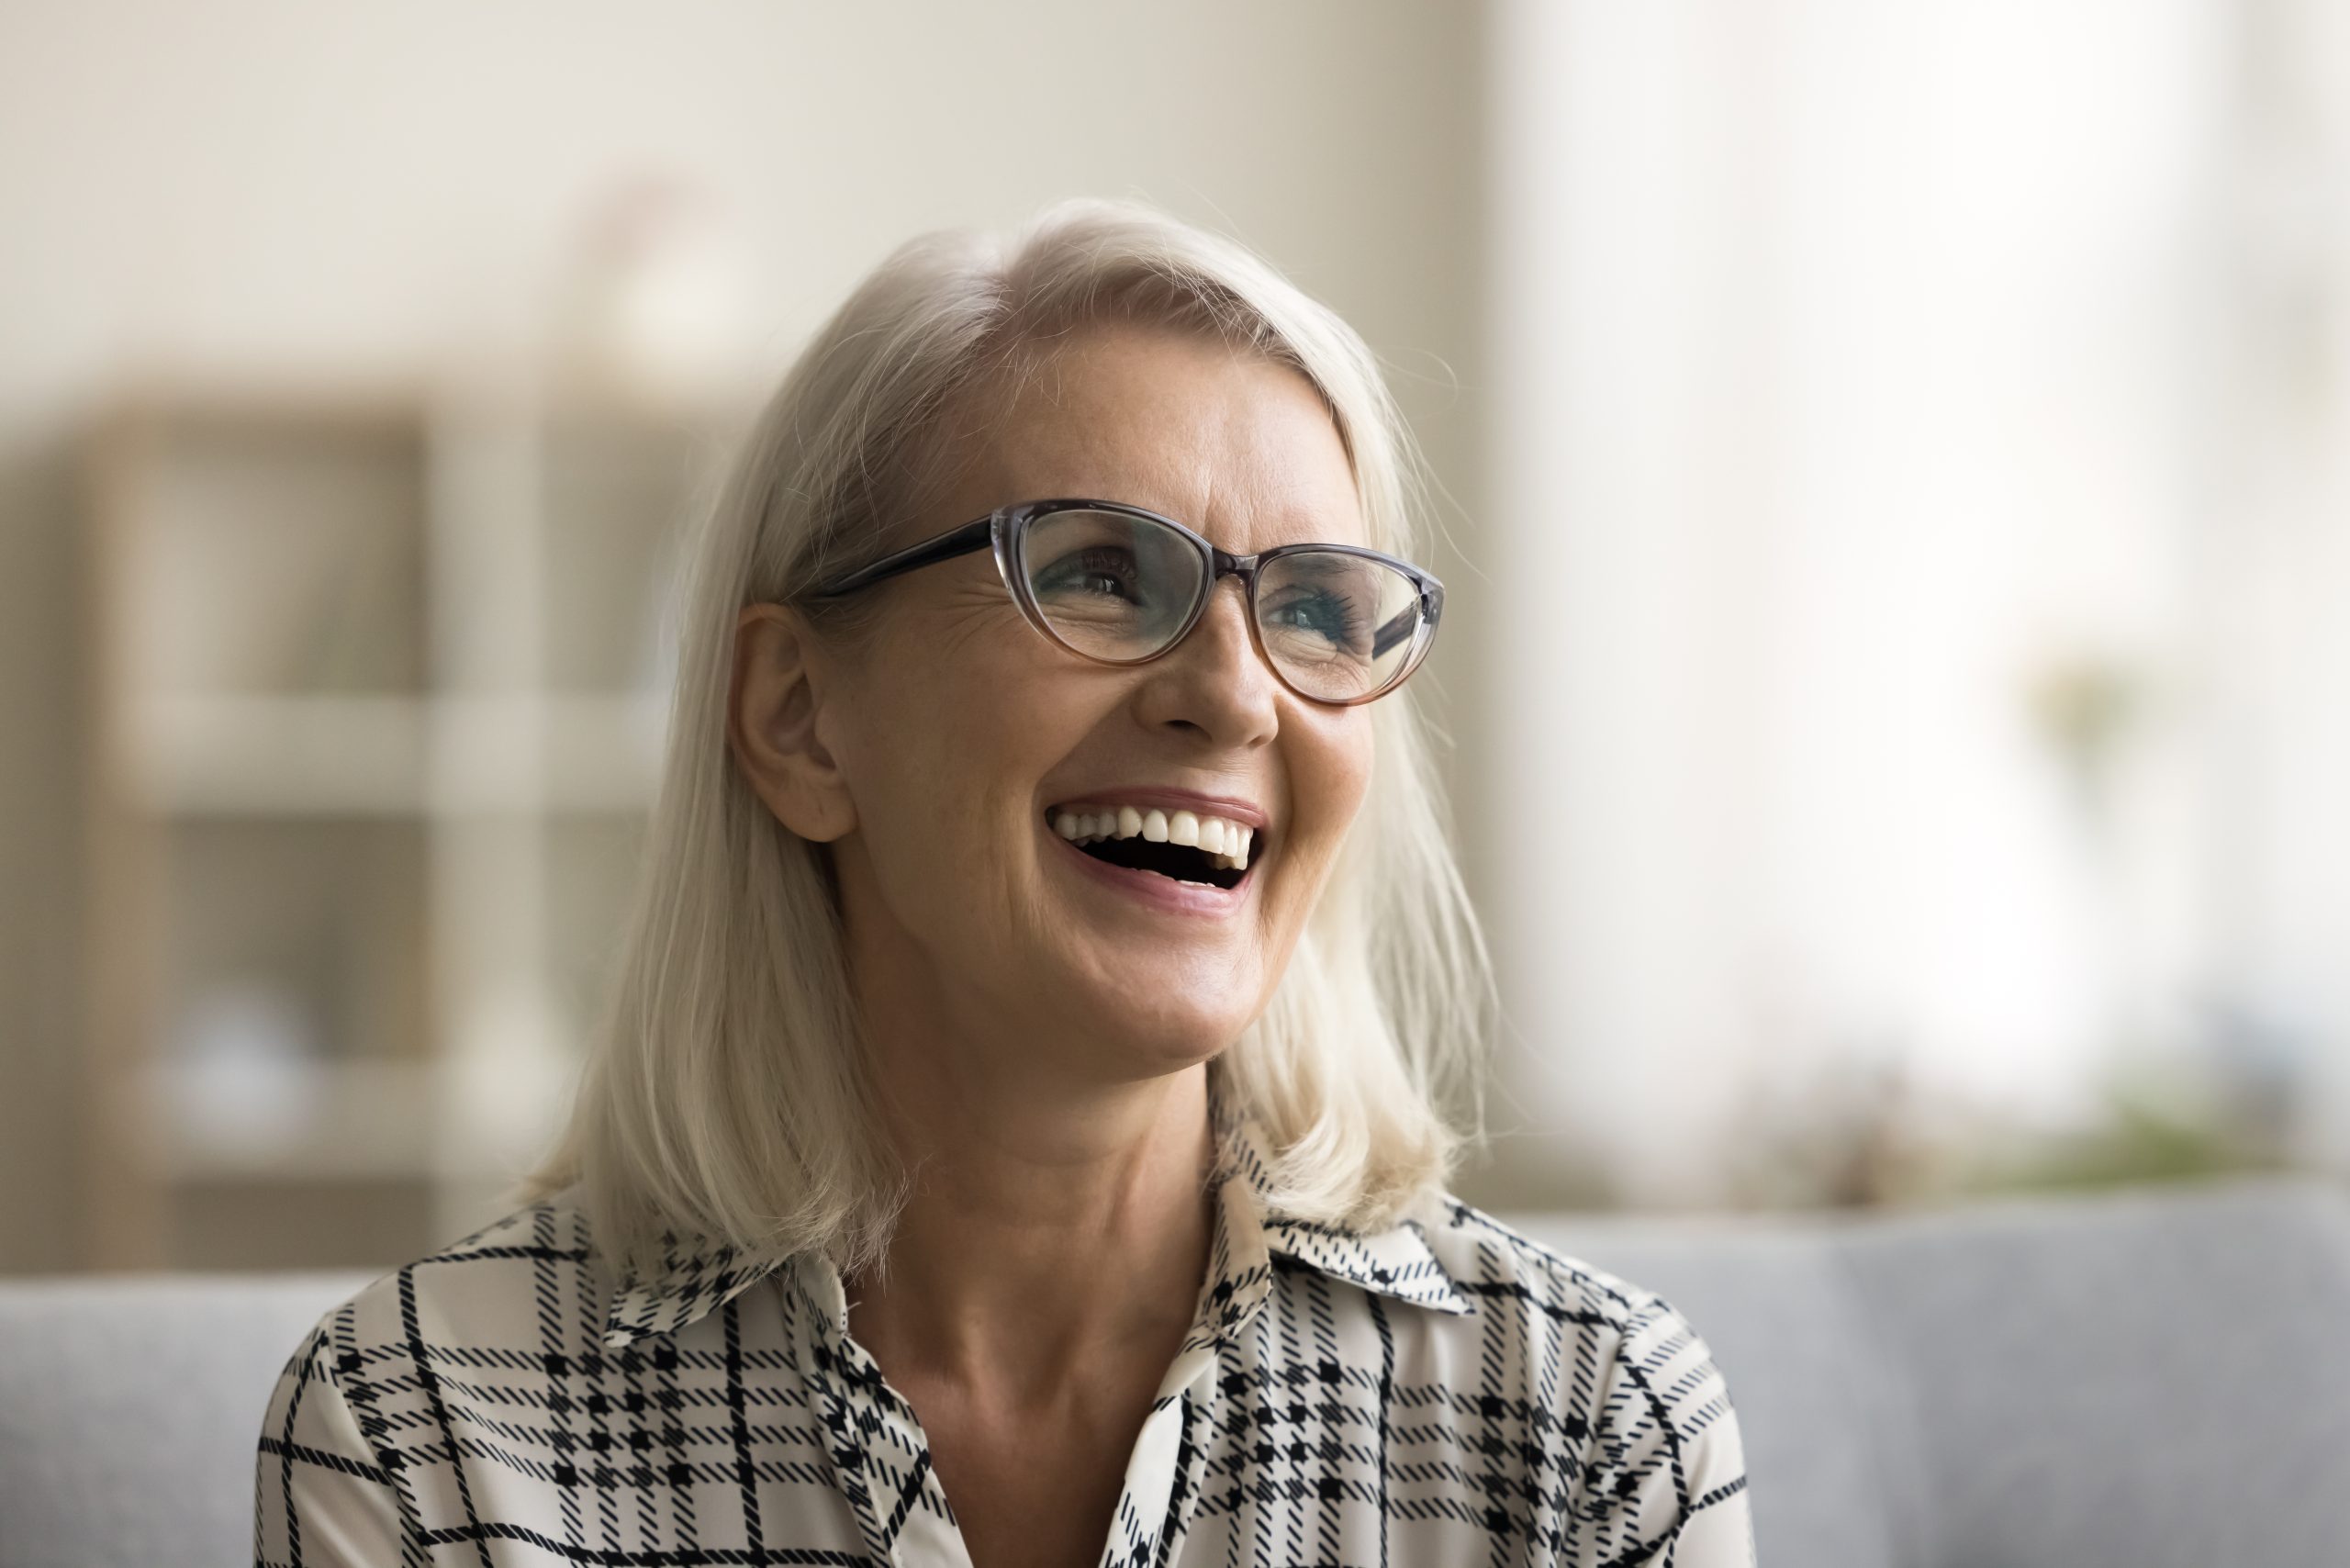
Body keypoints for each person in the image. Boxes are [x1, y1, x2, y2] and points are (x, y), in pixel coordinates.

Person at [253, 196, 1755, 1567]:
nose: (1237, 699)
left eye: (1313, 607)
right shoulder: (425, 1437)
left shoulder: (1590, 1429)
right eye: (1100, 573)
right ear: (798, 718)